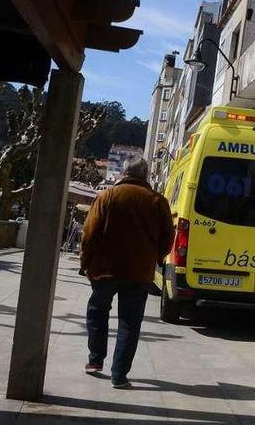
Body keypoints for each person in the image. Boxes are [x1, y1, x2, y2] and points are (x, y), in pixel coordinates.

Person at [80, 156, 174, 389]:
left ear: (123, 173)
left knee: (97, 312)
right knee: (129, 323)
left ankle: (95, 360)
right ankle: (119, 374)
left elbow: (90, 232)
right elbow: (167, 237)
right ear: (145, 174)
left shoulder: (108, 196)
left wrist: (85, 261)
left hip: (105, 269)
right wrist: (157, 258)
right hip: (138, 272)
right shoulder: (157, 201)